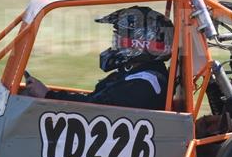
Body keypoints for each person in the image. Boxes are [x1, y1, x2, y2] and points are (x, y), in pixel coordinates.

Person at [23, 6, 172, 111]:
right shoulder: (138, 74)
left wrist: (48, 95)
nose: (116, 41)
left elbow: (94, 107)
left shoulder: (143, 84)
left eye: (121, 36)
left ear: (142, 42)